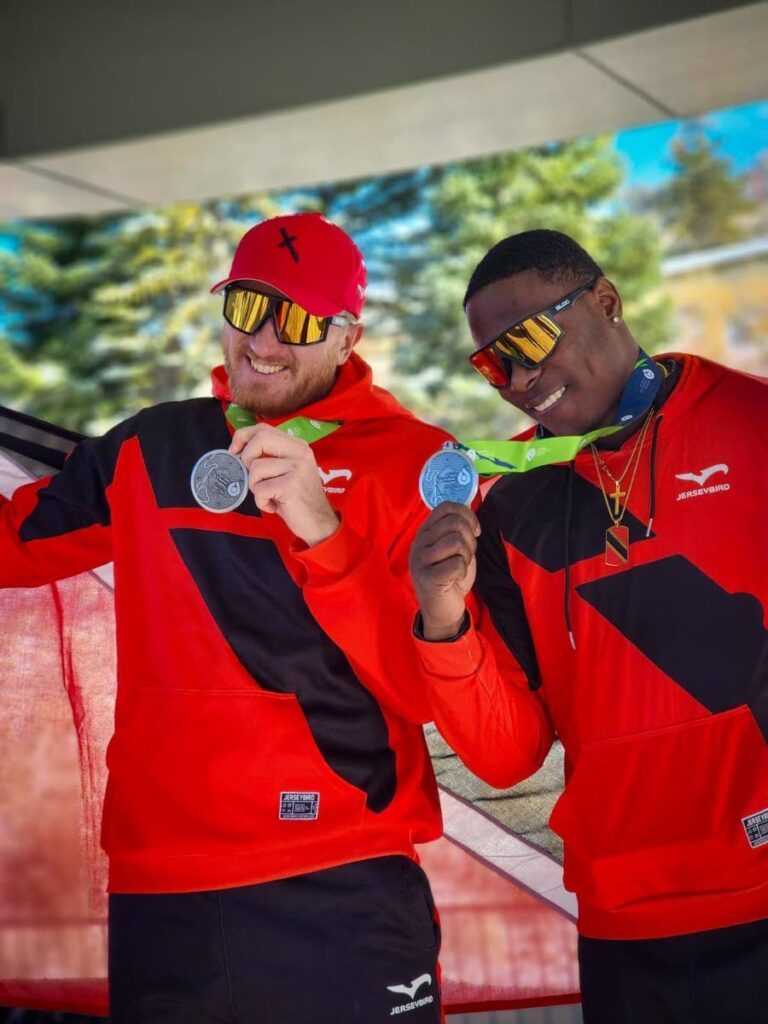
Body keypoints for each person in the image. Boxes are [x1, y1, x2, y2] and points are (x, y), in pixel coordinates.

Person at [0, 212, 449, 1023]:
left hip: (342, 875)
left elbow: (428, 689)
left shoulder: (417, 464)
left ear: (347, 338)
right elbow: (11, 545)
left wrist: (325, 533)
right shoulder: (150, 448)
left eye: (298, 320)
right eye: (248, 306)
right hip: (166, 888)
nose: (264, 340)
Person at [409, 229, 768, 1023]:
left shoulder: (754, 422)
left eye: (529, 342)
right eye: (493, 363)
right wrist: (444, 621)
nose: (518, 379)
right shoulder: (507, 503)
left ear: (606, 302)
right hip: (623, 918)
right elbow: (508, 756)